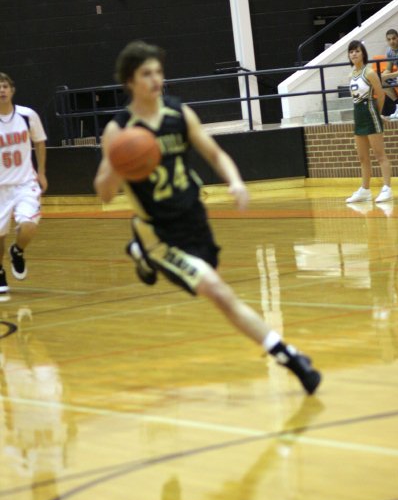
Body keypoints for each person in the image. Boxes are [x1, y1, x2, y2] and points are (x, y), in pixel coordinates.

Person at [94, 41, 321, 395]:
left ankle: (139, 254)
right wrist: (115, 164)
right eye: (146, 74)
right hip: (160, 232)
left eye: (158, 71)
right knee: (219, 292)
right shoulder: (119, 130)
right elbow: (105, 194)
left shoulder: (178, 114)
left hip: (193, 219)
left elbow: (215, 154)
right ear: (129, 81)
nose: (155, 79)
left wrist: (235, 181)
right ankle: (289, 356)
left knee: (218, 289)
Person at [0, 73, 48, 295]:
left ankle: (17, 251)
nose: (2, 90)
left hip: (25, 183)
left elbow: (39, 141)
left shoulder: (27, 115)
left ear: (12, 89)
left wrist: (42, 172)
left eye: (5, 86)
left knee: (29, 225)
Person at [346, 40, 393, 204]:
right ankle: (365, 190)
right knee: (362, 157)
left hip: (370, 111)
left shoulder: (370, 73)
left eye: (357, 51)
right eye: (351, 51)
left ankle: (387, 188)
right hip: (358, 114)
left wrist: (377, 113)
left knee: (380, 155)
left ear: (363, 54)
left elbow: (381, 95)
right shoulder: (351, 75)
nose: (354, 54)